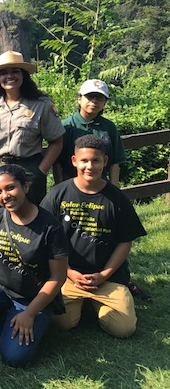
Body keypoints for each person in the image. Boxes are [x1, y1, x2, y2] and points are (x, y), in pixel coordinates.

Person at [0, 50, 64, 278]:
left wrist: (40, 171)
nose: (9, 76)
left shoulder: (40, 104)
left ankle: (31, 277)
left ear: (24, 75)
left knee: (30, 225)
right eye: (4, 73)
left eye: (15, 71)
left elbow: (57, 141)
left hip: (27, 169)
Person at [0, 164, 68, 367]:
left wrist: (29, 313)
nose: (5, 196)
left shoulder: (50, 227)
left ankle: (35, 321)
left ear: (25, 187)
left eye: (10, 188)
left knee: (15, 358)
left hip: (32, 299)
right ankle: (4, 317)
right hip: (0, 288)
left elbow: (57, 278)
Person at [41, 134, 146, 337]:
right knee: (61, 322)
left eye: (96, 160)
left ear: (105, 162)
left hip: (108, 278)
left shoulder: (117, 199)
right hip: (67, 276)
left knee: (124, 329)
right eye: (84, 160)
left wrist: (103, 275)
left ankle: (99, 301)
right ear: (74, 161)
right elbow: (46, 240)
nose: (90, 166)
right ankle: (83, 303)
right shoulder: (57, 194)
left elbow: (125, 242)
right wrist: (69, 272)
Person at [54, 79, 126, 184]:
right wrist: (60, 188)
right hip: (71, 185)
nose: (94, 101)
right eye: (90, 96)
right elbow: (57, 163)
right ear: (79, 99)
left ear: (105, 102)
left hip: (101, 185)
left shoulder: (109, 127)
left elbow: (115, 161)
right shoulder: (66, 126)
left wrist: (114, 190)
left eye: (99, 98)